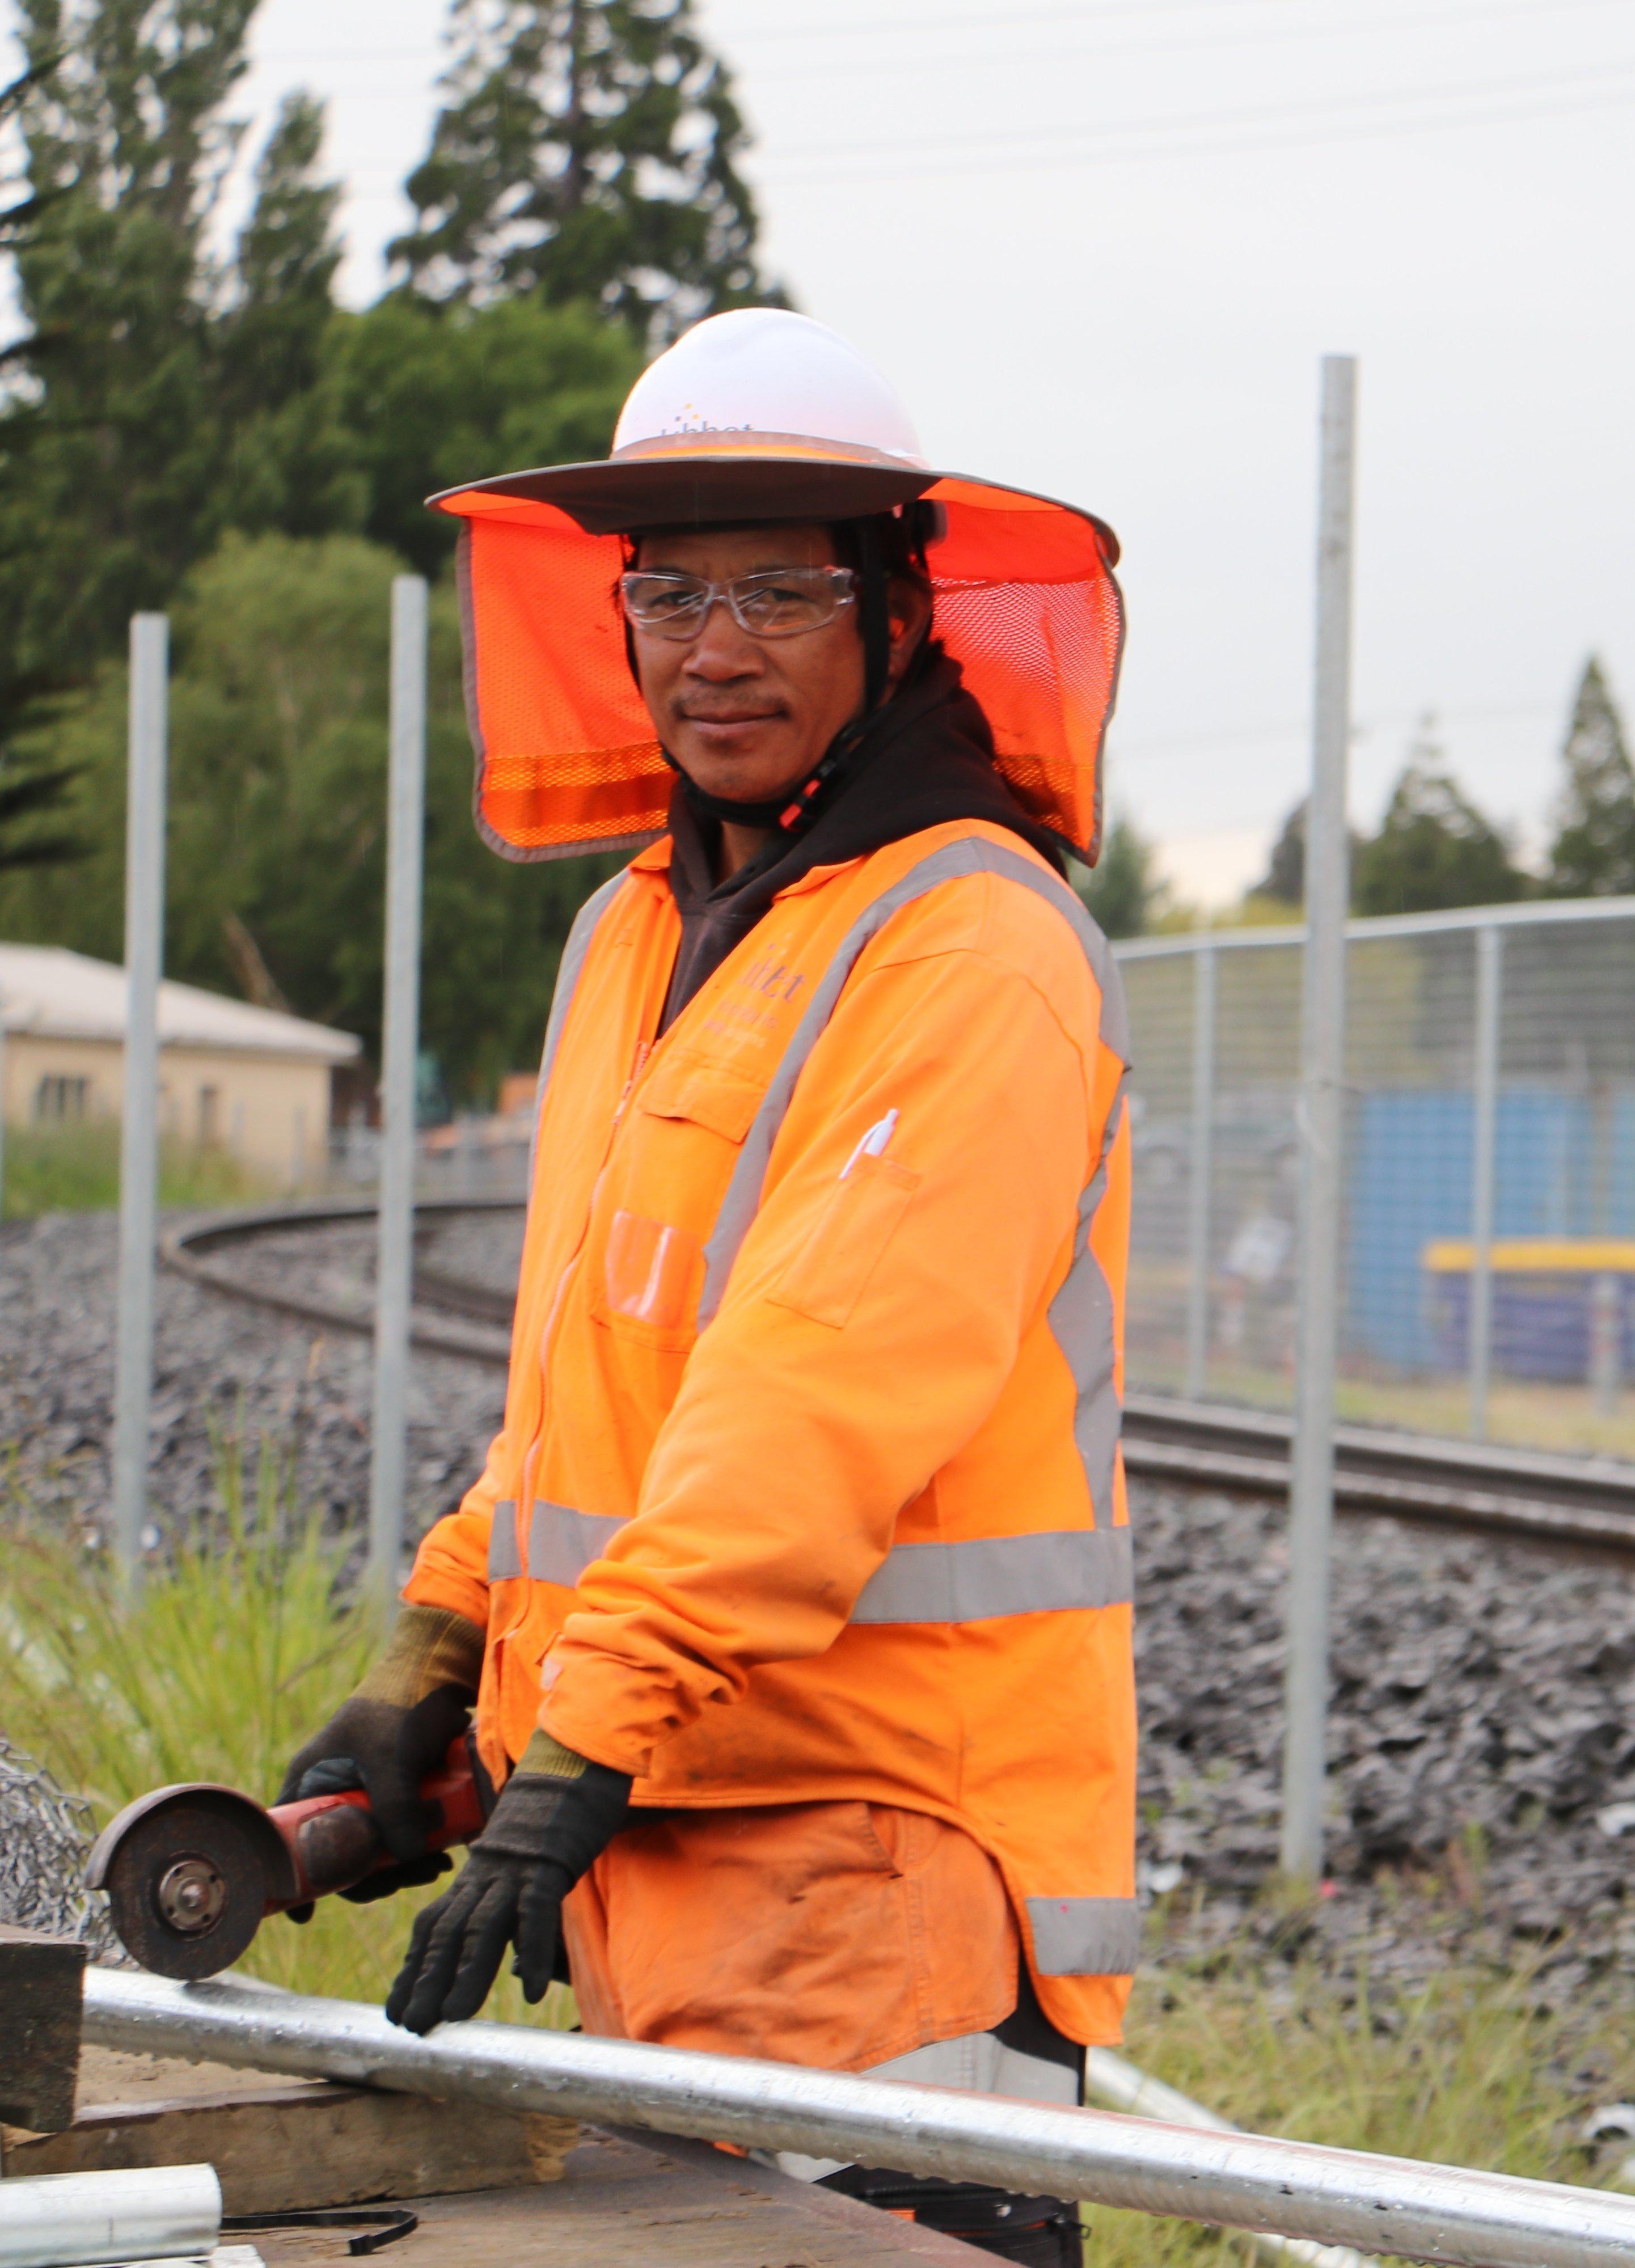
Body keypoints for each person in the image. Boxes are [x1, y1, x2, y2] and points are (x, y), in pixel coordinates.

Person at [277, 309, 1138, 2267]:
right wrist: (442, 1655)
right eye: (669, 594)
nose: (713, 648)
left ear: (898, 614)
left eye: (779, 592)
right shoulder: (639, 931)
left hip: (878, 1867)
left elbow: (807, 1408)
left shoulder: (970, 945)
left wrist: (574, 1743)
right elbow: (603, 1388)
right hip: (670, 1846)